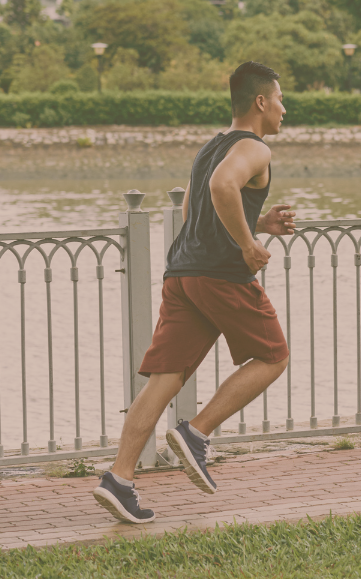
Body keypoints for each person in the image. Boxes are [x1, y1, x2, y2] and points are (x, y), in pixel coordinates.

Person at [93, 61, 297, 523]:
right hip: (221, 276)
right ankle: (197, 433)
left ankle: (119, 480)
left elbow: (194, 208)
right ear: (261, 102)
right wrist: (248, 245)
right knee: (274, 357)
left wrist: (259, 222)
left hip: (182, 272)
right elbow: (223, 186)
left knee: (164, 378)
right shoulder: (255, 148)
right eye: (281, 100)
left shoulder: (211, 147)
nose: (285, 109)